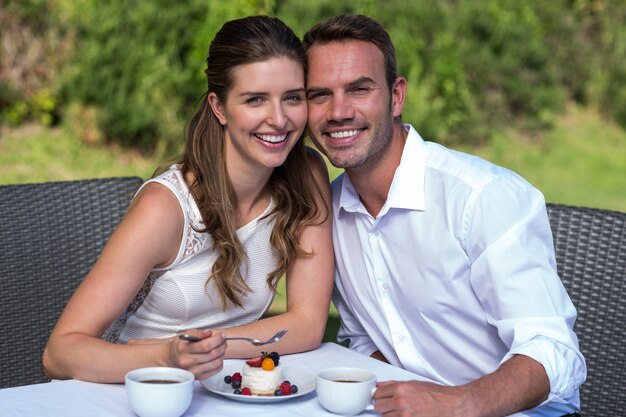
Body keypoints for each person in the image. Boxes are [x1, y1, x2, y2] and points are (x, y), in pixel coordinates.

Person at [303, 14, 585, 417]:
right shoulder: (327, 216)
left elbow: (553, 349)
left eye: (359, 89)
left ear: (396, 96)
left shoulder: (480, 197)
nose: (339, 111)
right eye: (320, 95)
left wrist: (456, 402)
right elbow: (362, 338)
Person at [43, 15, 333, 383]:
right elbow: (59, 353)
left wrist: (197, 348)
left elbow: (307, 325)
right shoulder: (167, 207)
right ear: (220, 107)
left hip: (221, 386)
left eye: (292, 98)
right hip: (127, 391)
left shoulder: (306, 174)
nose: (279, 119)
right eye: (255, 99)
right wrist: (165, 355)